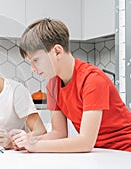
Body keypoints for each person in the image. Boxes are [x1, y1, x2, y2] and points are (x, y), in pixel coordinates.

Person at [10, 18, 131, 152]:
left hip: (125, 151)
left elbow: (85, 142)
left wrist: (34, 145)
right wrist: (27, 140)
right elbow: (58, 133)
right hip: (101, 153)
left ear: (57, 51)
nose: (32, 68)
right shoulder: (53, 85)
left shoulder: (92, 79)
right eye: (30, 63)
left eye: (36, 60)